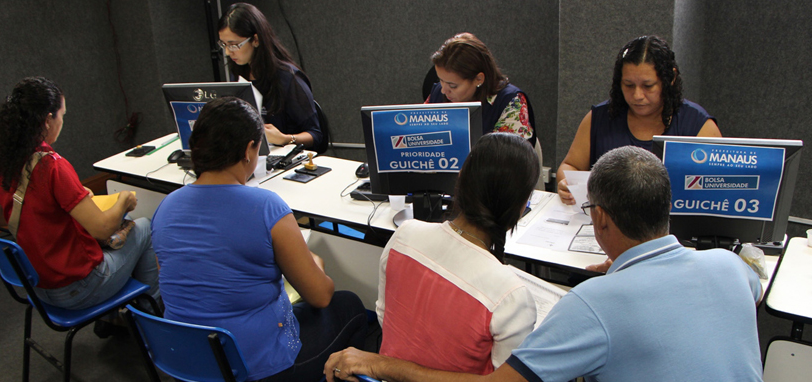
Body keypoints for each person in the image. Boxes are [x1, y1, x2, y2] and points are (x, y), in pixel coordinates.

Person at [325, 146, 763, 382]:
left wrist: (376, 364)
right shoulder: (730, 268)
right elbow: (748, 285)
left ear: (600, 218)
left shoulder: (595, 304)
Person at [151, 96, 367, 381]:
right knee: (349, 305)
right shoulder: (266, 206)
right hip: (253, 367)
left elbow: (172, 276)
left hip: (187, 361)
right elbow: (320, 297)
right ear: (248, 150)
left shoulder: (166, 207)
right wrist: (315, 263)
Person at [0, 77, 160, 312]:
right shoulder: (53, 167)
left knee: (125, 226)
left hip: (38, 286)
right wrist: (124, 200)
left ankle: (113, 317)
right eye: (62, 115)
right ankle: (150, 315)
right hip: (78, 288)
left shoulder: (3, 162)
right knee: (142, 227)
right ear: (48, 120)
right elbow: (101, 229)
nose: (62, 121)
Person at [376, 133, 539, 375]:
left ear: (460, 181)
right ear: (520, 205)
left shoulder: (403, 236)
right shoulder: (511, 297)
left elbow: (384, 316)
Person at [556, 35, 721, 204]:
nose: (637, 96)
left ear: (670, 79)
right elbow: (570, 166)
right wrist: (565, 184)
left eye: (648, 86)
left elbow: (717, 190)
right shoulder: (599, 118)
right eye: (628, 85)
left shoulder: (699, 126)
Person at [218, 2, 323, 150]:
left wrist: (285, 139)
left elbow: (316, 135)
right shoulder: (238, 72)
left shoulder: (289, 78)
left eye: (234, 45)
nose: (228, 52)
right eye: (224, 45)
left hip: (285, 158)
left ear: (255, 40)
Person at [426, 33, 536, 146]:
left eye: (453, 85)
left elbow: (510, 157)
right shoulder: (438, 93)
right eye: (441, 80)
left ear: (478, 79)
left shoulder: (509, 101)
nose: (443, 90)